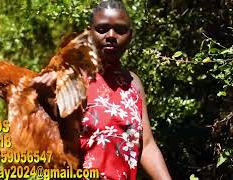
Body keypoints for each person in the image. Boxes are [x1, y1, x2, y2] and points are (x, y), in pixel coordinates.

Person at [35, 0, 172, 179]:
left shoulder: (133, 83)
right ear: (89, 33)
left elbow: (146, 145)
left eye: (120, 30)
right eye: (102, 29)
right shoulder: (71, 79)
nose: (111, 35)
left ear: (130, 35)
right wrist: (47, 99)